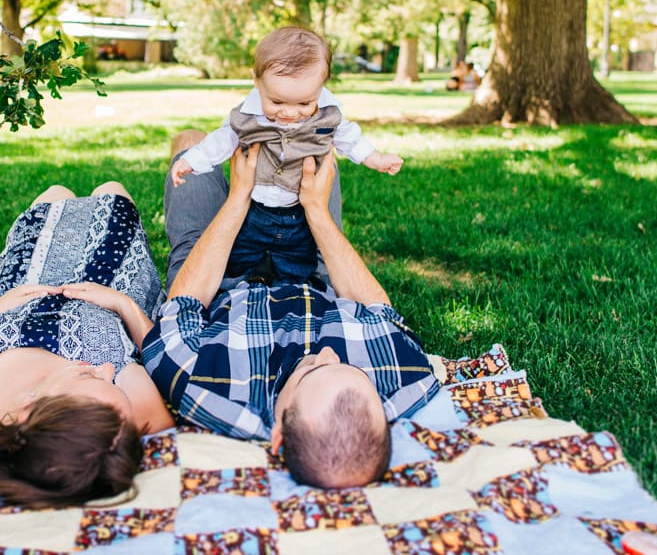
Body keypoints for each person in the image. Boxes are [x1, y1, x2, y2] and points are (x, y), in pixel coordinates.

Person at [145, 133, 439, 489]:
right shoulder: (405, 380)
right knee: (307, 146)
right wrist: (316, 212)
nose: (328, 354)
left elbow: (183, 306)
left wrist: (238, 199)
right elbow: (375, 307)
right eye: (349, 368)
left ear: (279, 434)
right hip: (310, 272)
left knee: (191, 146)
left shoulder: (207, 389)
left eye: (312, 370)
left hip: (219, 279)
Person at [0, 181, 175, 508]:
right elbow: (158, 353)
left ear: (29, 408)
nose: (107, 369)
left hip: (26, 276)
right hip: (112, 272)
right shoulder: (125, 416)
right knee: (113, 189)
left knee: (56, 193)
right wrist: (123, 305)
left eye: (88, 377)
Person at [170, 26, 403, 283]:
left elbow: (350, 138)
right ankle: (242, 275)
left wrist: (376, 159)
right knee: (240, 256)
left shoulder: (328, 113)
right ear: (257, 82)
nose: (290, 113)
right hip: (253, 209)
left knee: (300, 262)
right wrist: (193, 160)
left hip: (299, 213)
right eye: (277, 103)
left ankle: (292, 282)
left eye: (304, 103)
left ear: (320, 88)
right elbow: (222, 139)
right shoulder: (247, 115)